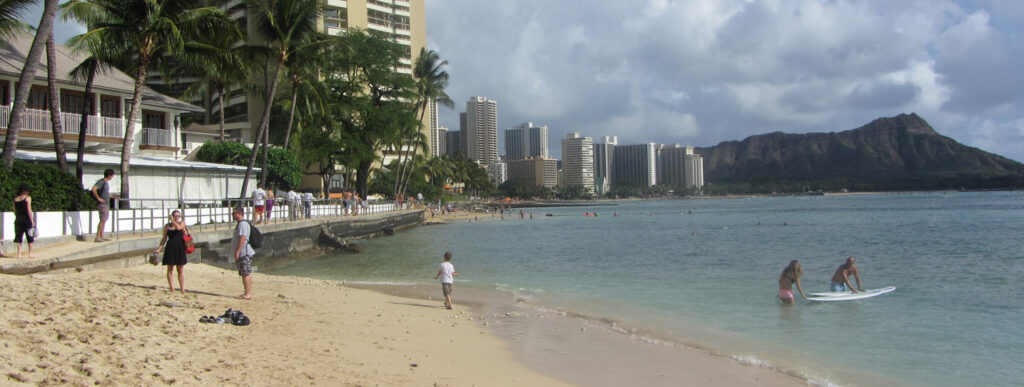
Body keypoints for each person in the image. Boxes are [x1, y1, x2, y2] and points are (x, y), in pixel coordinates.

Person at [154, 210, 189, 293]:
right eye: (175, 216)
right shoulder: (167, 226)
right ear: (172, 216)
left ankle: (182, 289)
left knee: (180, 269)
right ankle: (172, 288)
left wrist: (173, 220)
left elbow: (178, 228)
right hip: (170, 248)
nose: (177, 217)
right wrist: (159, 249)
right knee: (170, 268)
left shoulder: (182, 223)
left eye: (178, 216)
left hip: (180, 248)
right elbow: (164, 239)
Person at [232, 207, 255, 299]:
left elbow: (243, 238)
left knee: (246, 273)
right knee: (245, 273)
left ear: (239, 213)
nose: (232, 215)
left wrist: (237, 251)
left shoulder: (243, 224)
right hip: (243, 252)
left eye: (234, 213)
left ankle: (247, 293)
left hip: (244, 253)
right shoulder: (240, 224)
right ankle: (247, 292)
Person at [91, 169, 117, 242]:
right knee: (102, 220)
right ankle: (98, 237)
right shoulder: (102, 182)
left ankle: (101, 236)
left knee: (104, 220)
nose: (112, 177)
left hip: (106, 204)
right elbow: (94, 189)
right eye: (112, 175)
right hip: (103, 204)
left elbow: (106, 194)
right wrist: (98, 198)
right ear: (109, 175)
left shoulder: (105, 183)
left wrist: (114, 197)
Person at [12, 184, 35, 259]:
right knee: (30, 236)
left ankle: (19, 254)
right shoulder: (28, 198)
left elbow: (15, 211)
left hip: (18, 219)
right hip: (26, 219)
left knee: (19, 237)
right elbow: (29, 210)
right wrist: (32, 220)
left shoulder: (15, 199)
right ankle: (30, 253)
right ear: (25, 191)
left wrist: (18, 216)